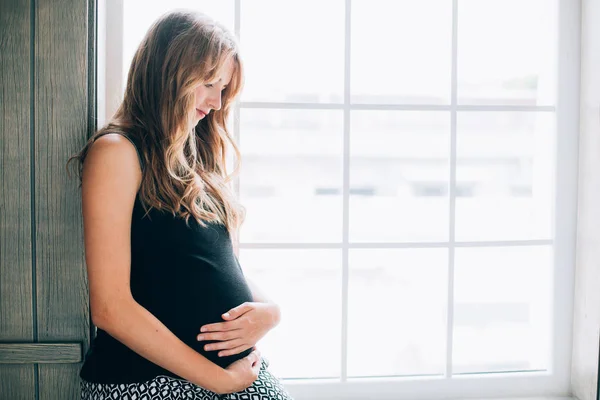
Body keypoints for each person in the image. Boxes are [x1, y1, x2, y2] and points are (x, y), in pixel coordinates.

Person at [68, 10, 294, 400]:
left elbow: (217, 267)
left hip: (229, 378)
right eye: (209, 84)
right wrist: (219, 381)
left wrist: (271, 312)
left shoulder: (199, 161)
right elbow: (110, 307)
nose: (216, 101)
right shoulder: (117, 153)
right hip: (147, 382)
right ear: (168, 73)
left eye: (223, 88)